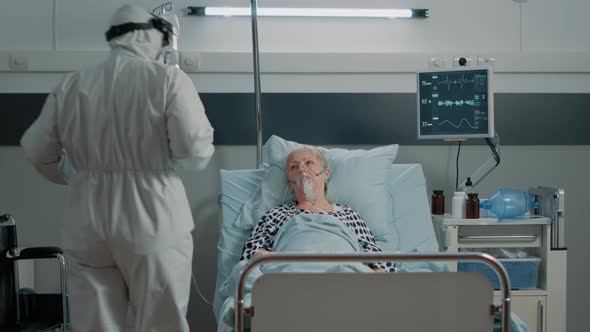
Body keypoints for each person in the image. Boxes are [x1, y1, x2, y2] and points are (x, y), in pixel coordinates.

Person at [20, 4, 214, 332]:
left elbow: (37, 150)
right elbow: (194, 150)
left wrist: (76, 177)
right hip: (153, 218)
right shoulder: (168, 80)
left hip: (87, 221)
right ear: (148, 34)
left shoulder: (72, 84)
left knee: (96, 323)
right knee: (160, 321)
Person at [240, 146, 395, 273]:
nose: (301, 169)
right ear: (290, 184)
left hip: (345, 274)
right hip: (291, 274)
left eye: (308, 163)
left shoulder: (349, 214)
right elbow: (250, 256)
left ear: (326, 174)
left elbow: (379, 262)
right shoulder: (276, 214)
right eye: (294, 167)